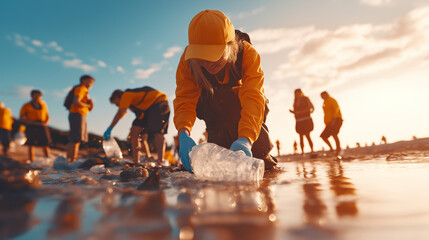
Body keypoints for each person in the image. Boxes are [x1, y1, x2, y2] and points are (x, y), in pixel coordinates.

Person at [174, 10, 277, 173]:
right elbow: (185, 99)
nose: (208, 64)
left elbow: (253, 96)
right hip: (211, 106)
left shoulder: (247, 54)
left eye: (213, 56)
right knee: (222, 157)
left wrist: (246, 139)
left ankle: (259, 149)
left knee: (259, 152)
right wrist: (183, 133)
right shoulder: (188, 62)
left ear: (230, 45)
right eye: (202, 58)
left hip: (240, 105)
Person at [104, 86, 170, 163]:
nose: (116, 105)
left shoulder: (126, 95)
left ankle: (160, 160)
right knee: (134, 131)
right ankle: (136, 161)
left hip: (159, 101)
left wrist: (110, 128)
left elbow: (120, 113)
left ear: (118, 97)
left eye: (116, 102)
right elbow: (122, 114)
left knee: (157, 132)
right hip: (145, 110)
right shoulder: (130, 104)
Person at [67, 75, 95, 162]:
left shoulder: (85, 91)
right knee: (75, 139)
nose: (91, 84)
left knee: (77, 139)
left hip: (80, 114)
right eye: (89, 81)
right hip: (77, 114)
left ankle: (71, 160)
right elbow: (76, 101)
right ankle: (71, 161)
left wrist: (91, 104)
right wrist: (87, 105)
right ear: (83, 80)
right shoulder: (81, 88)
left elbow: (89, 109)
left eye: (92, 83)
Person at [19, 89, 51, 162]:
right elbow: (21, 117)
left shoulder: (43, 105)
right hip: (31, 125)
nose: (37, 97)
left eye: (39, 95)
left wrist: (45, 123)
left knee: (45, 143)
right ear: (31, 96)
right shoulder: (26, 105)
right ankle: (31, 161)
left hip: (42, 125)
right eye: (35, 95)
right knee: (31, 144)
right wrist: (30, 122)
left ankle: (48, 160)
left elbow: (47, 115)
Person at [289, 89, 314, 155]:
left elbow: (312, 108)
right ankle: (303, 152)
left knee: (308, 135)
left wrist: (301, 112)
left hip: (306, 120)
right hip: (299, 121)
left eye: (298, 93)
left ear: (301, 93)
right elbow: (296, 112)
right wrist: (293, 112)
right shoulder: (295, 101)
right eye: (296, 93)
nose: (297, 95)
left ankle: (312, 150)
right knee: (301, 136)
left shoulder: (305, 98)